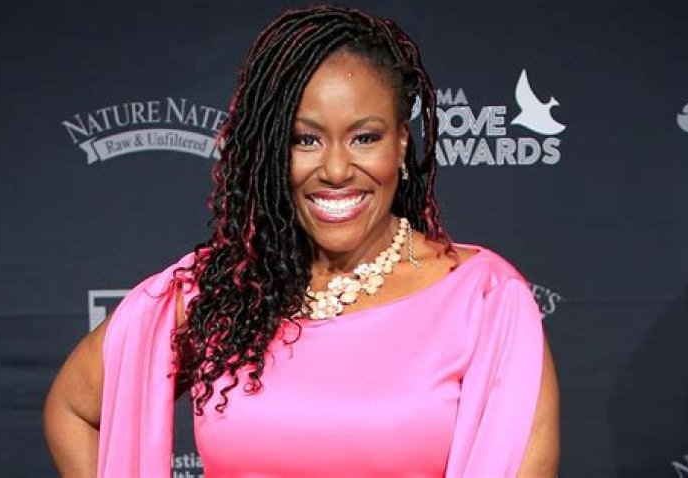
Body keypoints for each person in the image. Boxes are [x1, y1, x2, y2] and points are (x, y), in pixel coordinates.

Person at [44, 5, 559, 477]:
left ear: (402, 140)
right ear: (274, 150)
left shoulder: (484, 299)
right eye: (305, 139)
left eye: (365, 137)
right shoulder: (221, 291)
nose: (335, 169)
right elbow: (73, 409)